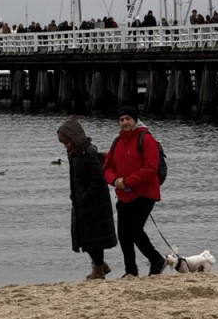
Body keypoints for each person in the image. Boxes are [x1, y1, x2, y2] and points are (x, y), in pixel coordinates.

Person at [102, 105, 165, 277]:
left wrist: (128, 181)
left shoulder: (146, 139)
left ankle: (156, 259)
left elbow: (151, 168)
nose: (125, 122)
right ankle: (131, 271)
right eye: (121, 120)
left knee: (135, 230)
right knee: (123, 234)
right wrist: (115, 181)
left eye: (128, 119)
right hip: (124, 195)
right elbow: (107, 167)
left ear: (135, 120)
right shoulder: (117, 142)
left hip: (145, 193)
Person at [57, 118, 117, 280]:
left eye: (66, 142)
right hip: (81, 201)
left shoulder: (88, 152)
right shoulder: (75, 154)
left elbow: (98, 179)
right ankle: (100, 265)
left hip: (94, 203)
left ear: (74, 138)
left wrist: (84, 196)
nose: (65, 146)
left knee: (93, 238)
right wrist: (75, 196)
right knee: (84, 236)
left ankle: (99, 268)